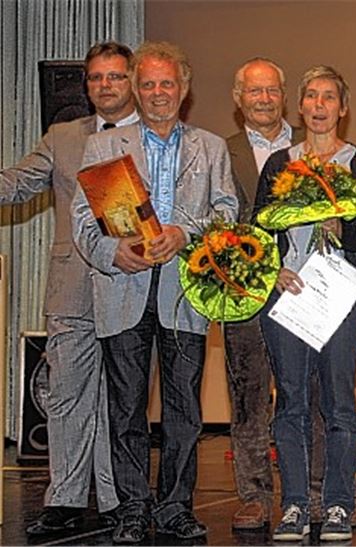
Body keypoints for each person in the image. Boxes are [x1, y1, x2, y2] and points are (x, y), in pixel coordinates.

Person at [71, 41, 238, 544]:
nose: (158, 93)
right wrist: (111, 253)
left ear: (183, 90)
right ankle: (130, 509)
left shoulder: (210, 148)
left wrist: (186, 234)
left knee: (184, 408)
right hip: (121, 287)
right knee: (125, 408)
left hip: (185, 290)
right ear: (135, 90)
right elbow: (83, 222)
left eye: (167, 83)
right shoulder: (103, 147)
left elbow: (228, 212)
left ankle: (174, 508)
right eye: (148, 84)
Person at [1, 41, 136, 536]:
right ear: (87, 84)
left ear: (133, 81)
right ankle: (64, 500)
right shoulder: (62, 136)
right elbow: (18, 183)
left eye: (115, 77)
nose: (105, 85)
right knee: (67, 396)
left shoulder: (155, 136)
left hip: (132, 286)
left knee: (122, 401)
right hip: (74, 287)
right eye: (97, 78)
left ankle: (122, 498)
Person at [252, 65, 356, 543]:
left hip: (342, 298)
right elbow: (259, 228)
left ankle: (340, 504)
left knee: (342, 406)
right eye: (311, 97)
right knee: (291, 405)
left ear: (342, 108)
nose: (320, 105)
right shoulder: (279, 163)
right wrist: (272, 269)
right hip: (290, 295)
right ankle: (295, 506)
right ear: (299, 106)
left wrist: (340, 226)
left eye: (330, 97)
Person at [224, 56, 327, 532]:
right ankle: (255, 495)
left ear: (285, 97)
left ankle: (309, 493)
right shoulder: (220, 151)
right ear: (237, 98)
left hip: (303, 288)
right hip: (245, 291)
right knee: (248, 394)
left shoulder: (313, 149)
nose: (263, 100)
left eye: (271, 91)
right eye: (253, 91)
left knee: (307, 394)